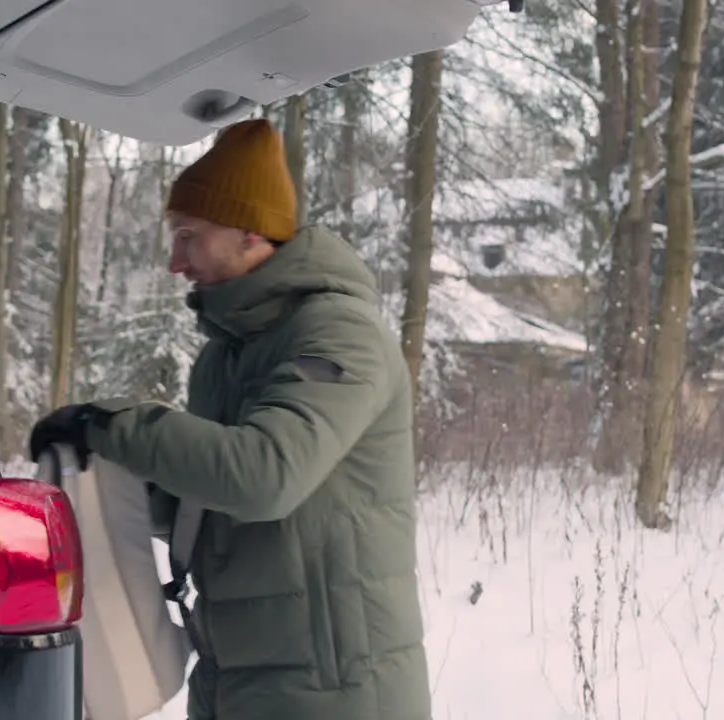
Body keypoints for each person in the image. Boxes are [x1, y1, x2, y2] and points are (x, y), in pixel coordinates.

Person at [28, 117, 429, 720]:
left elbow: (262, 478)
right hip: (236, 676)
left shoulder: (340, 334)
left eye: (188, 235)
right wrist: (96, 480)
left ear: (249, 232)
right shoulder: (226, 356)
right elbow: (210, 502)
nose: (173, 261)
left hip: (336, 689)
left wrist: (114, 426)